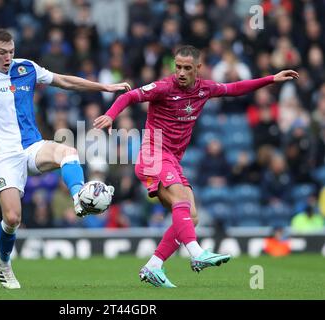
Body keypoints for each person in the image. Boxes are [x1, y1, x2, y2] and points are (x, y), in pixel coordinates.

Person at [0, 29, 130, 289]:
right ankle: (4, 263)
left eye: (11, 51)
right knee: (12, 219)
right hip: (4, 157)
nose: (9, 57)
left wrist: (104, 87)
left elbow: (63, 81)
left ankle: (79, 197)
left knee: (68, 152)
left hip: (32, 147)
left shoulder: (27, 68)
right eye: (2, 52)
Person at [94, 44, 299, 288]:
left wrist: (271, 79)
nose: (180, 72)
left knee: (191, 216)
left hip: (171, 159)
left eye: (187, 68)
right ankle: (197, 253)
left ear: (198, 69)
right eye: (177, 67)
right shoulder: (163, 87)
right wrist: (110, 114)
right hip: (153, 154)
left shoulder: (205, 89)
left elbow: (234, 88)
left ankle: (153, 266)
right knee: (181, 196)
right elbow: (129, 95)